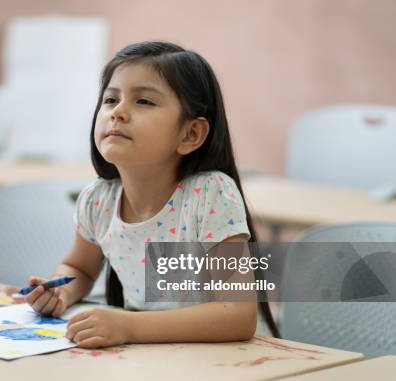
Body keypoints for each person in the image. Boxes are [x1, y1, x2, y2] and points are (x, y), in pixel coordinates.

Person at [25, 41, 278, 349]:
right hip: (159, 357)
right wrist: (60, 292)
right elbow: (78, 268)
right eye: (110, 99)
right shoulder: (98, 200)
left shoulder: (210, 195)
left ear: (190, 134)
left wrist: (128, 326)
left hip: (235, 364)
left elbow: (237, 314)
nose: (117, 112)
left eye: (143, 101)